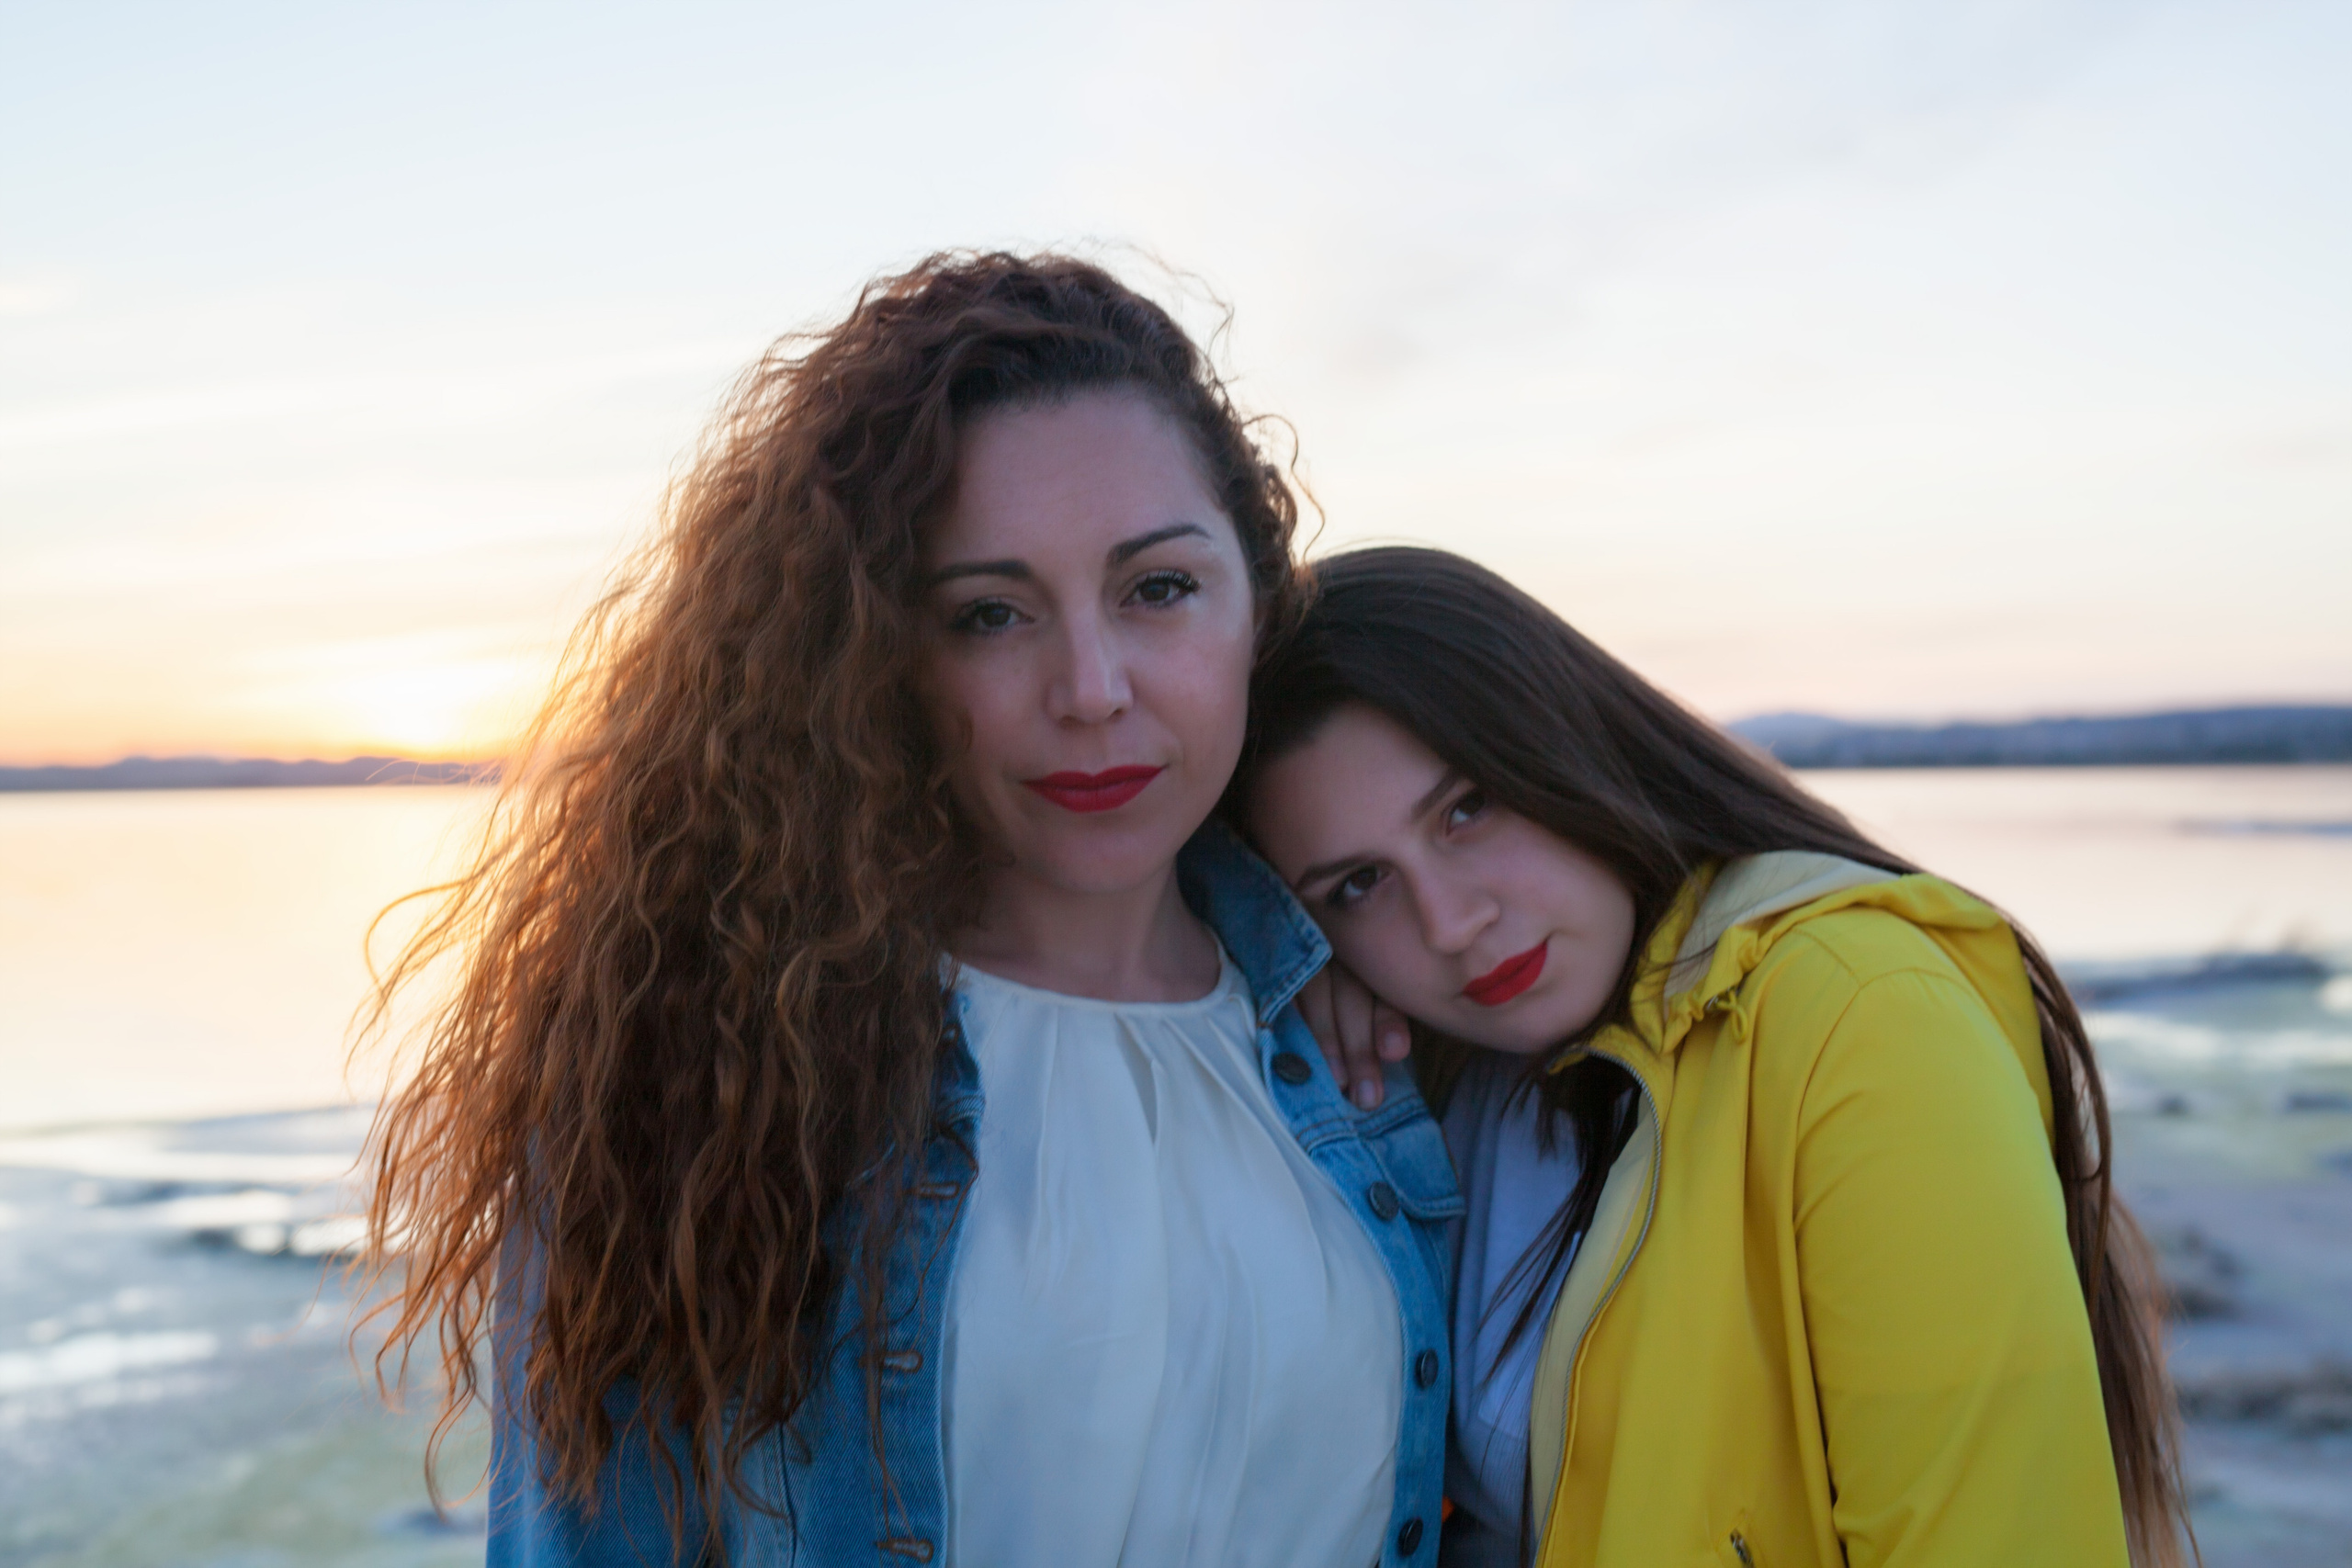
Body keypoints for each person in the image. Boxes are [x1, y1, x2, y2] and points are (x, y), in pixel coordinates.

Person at [357, 255, 1461, 1567]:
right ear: (875, 655)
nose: (1092, 686)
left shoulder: (1380, 1026)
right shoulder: (707, 1067)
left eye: (1157, 587)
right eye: (990, 613)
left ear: (1255, 601)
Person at [1236, 547, 2192, 1568]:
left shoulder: (1857, 1009)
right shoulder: (1437, 1078)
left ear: (1562, 739)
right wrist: (1276, 970)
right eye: (1358, 885)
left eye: (1467, 807)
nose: (1452, 921)